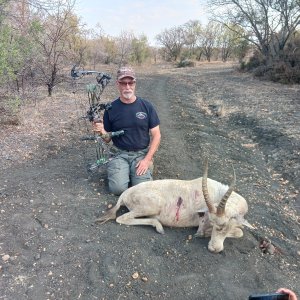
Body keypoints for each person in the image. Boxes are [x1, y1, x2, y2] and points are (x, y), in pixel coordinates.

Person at [93, 66, 161, 195]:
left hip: (141, 154)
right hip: (119, 154)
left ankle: (144, 168)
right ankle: (122, 171)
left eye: (131, 83)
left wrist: (147, 159)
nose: (127, 87)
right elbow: (107, 139)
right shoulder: (110, 108)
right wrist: (101, 131)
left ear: (135, 83)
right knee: (117, 189)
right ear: (118, 84)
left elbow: (156, 135)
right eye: (123, 83)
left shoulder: (147, 106)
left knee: (143, 190)